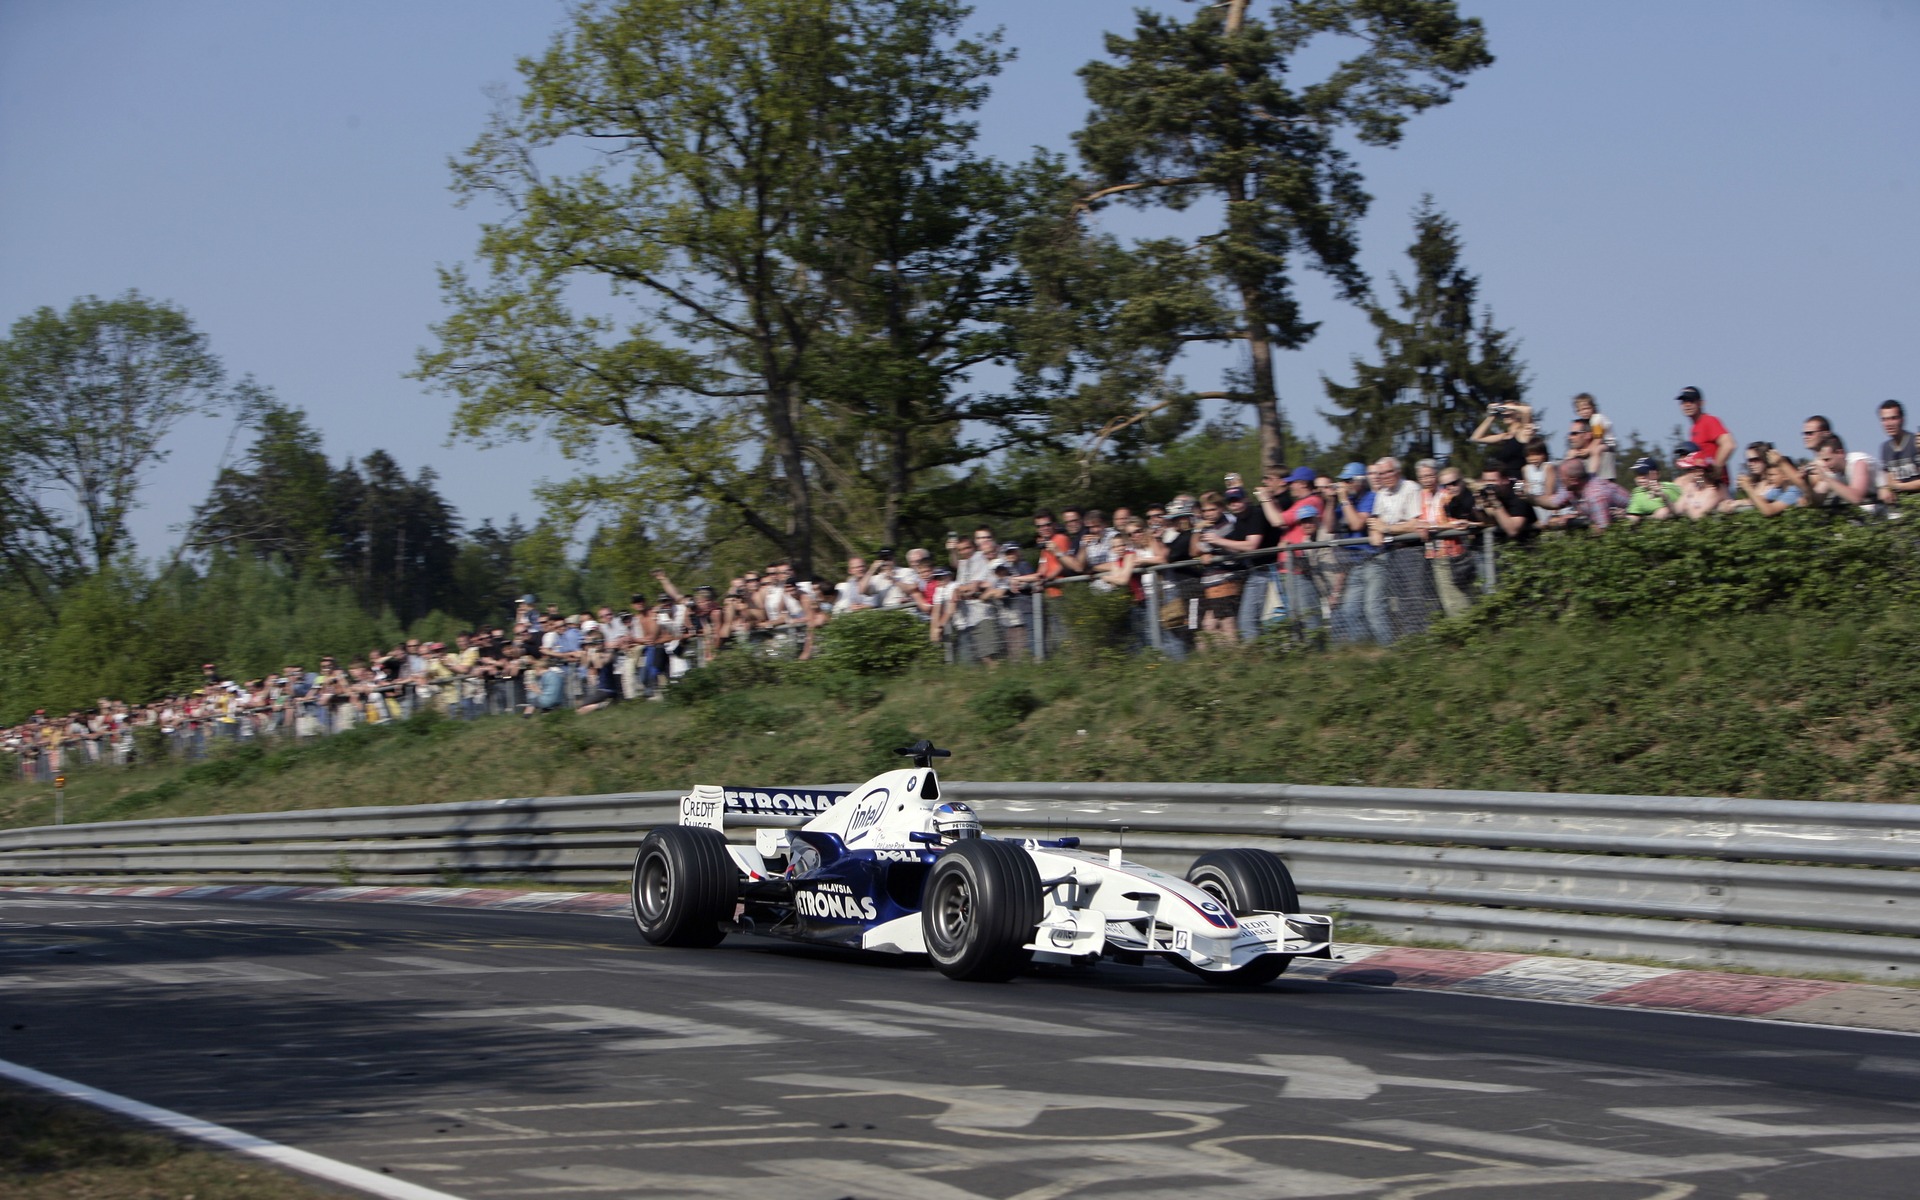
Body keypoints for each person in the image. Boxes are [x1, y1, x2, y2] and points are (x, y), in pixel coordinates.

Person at [1677, 386, 1736, 483]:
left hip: (1716, 485)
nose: (1687, 405)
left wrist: (1716, 468)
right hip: (1703, 483)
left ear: (1701, 403)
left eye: (1691, 401)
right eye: (1683, 402)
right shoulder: (1693, 428)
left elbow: (1729, 445)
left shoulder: (1709, 421)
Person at [1806, 432, 1876, 510]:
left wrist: (1826, 478)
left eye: (1827, 460)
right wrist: (1805, 482)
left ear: (1840, 453)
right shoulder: (1832, 471)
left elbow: (1857, 498)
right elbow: (1816, 501)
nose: (1825, 465)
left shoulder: (1859, 462)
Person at [1469, 402, 1535, 482]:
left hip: (1518, 480)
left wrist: (1505, 407)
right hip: (1504, 481)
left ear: (1518, 414)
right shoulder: (1505, 436)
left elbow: (1527, 410)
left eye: (1510, 411)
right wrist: (1492, 415)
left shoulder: (1524, 433)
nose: (1505, 413)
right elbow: (1475, 438)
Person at [1735, 444, 1806, 515]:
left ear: (1786, 476)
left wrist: (1748, 488)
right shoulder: (1778, 490)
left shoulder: (1793, 492)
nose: (1769, 478)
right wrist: (1736, 503)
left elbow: (1768, 511)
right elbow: (1758, 500)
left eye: (1772, 475)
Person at [1473, 468, 1537, 542]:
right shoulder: (1488, 493)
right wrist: (1479, 507)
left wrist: (1496, 504)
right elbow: (1489, 522)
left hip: (1529, 543)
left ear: (1505, 480)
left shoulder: (1518, 492)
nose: (1489, 485)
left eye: (1493, 481)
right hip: (1503, 544)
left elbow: (1513, 531)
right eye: (1486, 481)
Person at [1877, 400, 1920, 507]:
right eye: (1884, 419)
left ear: (1902, 419)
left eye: (1893, 418)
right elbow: (1889, 479)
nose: (1889, 424)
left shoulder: (1915, 442)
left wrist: (1898, 486)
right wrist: (1885, 488)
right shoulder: (1886, 448)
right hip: (1902, 509)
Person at [1625, 457, 1682, 522]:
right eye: (1638, 473)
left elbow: (1680, 512)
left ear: (1656, 474)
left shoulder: (1670, 488)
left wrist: (1664, 497)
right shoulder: (1637, 493)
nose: (1640, 477)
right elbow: (1633, 517)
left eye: (1644, 473)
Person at [1674, 452, 1727, 519]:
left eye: (1690, 469)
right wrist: (1664, 497)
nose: (1687, 473)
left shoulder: (1714, 490)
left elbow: (1697, 516)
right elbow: (1677, 509)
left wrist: (1687, 504)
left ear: (1699, 472)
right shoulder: (1693, 486)